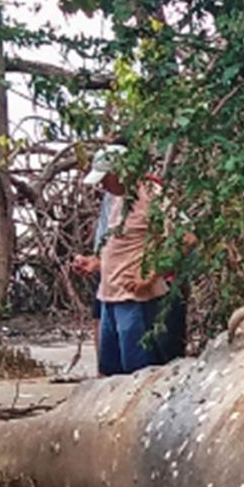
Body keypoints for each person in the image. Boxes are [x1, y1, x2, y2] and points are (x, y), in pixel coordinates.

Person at [72, 145, 187, 376]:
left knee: (139, 372)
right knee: (111, 371)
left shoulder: (151, 194)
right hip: (109, 297)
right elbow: (119, 243)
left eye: (107, 178)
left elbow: (186, 237)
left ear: (122, 172)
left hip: (136, 299)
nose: (102, 185)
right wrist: (96, 263)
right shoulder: (115, 198)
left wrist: (152, 273)